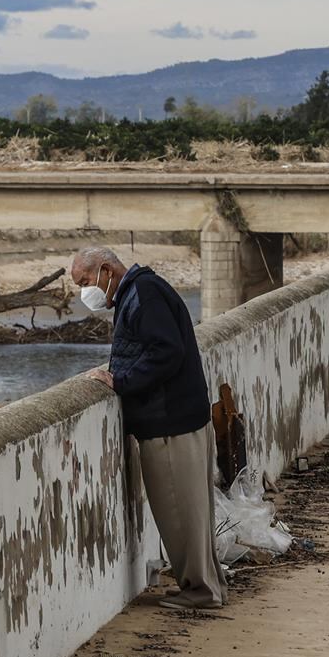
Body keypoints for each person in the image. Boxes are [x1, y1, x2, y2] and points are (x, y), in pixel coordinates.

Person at [71, 246, 227, 611]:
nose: (83, 292)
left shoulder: (144, 294)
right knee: (194, 512)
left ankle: (201, 591)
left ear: (106, 271)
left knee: (179, 512)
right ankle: (208, 585)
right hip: (180, 418)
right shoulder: (140, 292)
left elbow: (166, 352)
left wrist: (120, 381)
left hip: (170, 423)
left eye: (83, 282)